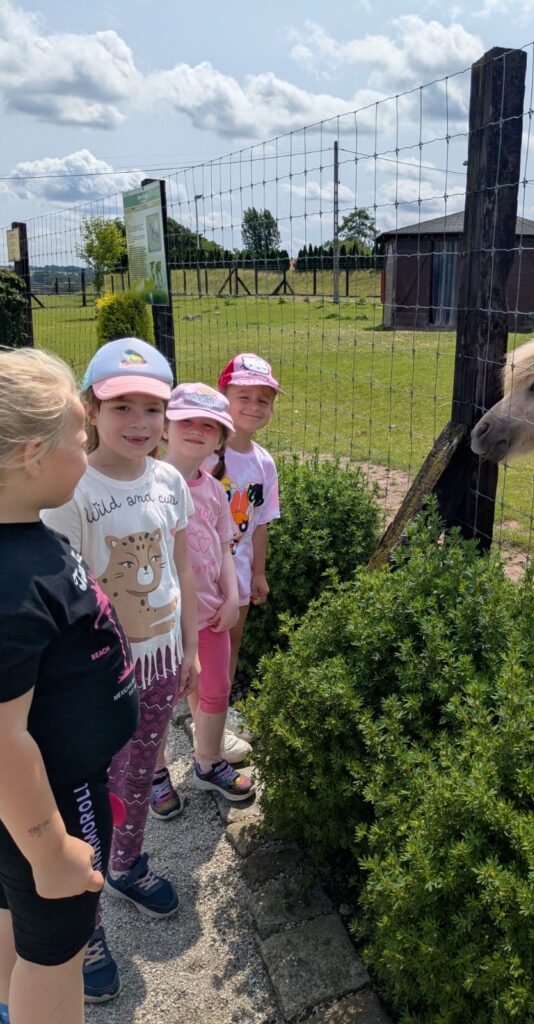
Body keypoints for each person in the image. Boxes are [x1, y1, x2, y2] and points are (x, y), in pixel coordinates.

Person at [42, 337, 198, 1004]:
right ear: (90, 410)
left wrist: (190, 648)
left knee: (139, 774)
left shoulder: (168, 482)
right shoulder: (72, 490)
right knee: (87, 800)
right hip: (100, 679)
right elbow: (63, 596)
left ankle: (128, 865)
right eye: (121, 407)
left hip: (160, 663)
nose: (139, 422)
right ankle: (86, 926)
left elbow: (181, 565)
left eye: (152, 408)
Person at [0, 347, 138, 1024]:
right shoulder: (10, 586)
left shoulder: (23, 537)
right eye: (80, 441)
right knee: (58, 947)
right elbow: (2, 740)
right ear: (32, 455)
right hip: (51, 796)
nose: (87, 454)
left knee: (12, 908)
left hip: (31, 800)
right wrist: (50, 848)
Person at [149, 383, 254, 816]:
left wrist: (232, 596)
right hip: (158, 623)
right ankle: (154, 772)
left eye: (208, 426)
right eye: (186, 421)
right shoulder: (146, 484)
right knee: (157, 701)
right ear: (165, 429)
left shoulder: (212, 489)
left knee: (216, 689)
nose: (196, 430)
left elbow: (225, 545)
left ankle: (208, 762)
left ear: (220, 439)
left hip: (210, 614)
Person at [205, 353, 281, 763]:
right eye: (244, 397)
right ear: (224, 398)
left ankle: (218, 711)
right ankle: (200, 713)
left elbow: (261, 523)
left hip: (238, 571)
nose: (254, 406)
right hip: (201, 573)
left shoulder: (263, 463)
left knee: (231, 643)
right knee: (200, 645)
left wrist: (259, 573)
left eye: (263, 400)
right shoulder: (204, 453)